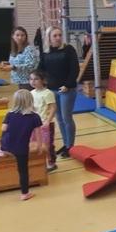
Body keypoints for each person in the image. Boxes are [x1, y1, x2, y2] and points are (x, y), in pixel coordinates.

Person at [39, 27, 80, 158]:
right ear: (49, 38)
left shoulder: (68, 50)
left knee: (67, 117)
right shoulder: (46, 52)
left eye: (59, 35)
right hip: (52, 89)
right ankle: (65, 143)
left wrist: (67, 85)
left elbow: (75, 69)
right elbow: (41, 69)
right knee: (59, 119)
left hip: (66, 89)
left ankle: (70, 146)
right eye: (55, 36)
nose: (58, 37)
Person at [0, 90, 43, 201]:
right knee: (23, 170)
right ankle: (24, 194)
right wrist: (39, 147)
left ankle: (2, 150)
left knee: (5, 135)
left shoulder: (10, 114)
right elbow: (38, 135)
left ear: (15, 101)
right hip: (21, 148)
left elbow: (3, 129)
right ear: (30, 101)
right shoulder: (35, 117)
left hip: (7, 144)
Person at [29, 70, 58, 172]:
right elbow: (31, 108)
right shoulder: (31, 93)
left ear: (43, 81)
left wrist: (48, 121)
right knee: (34, 142)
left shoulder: (47, 93)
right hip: (34, 124)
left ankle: (51, 162)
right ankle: (38, 162)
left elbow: (53, 108)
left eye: (36, 79)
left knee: (47, 144)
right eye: (31, 79)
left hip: (45, 123)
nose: (33, 81)